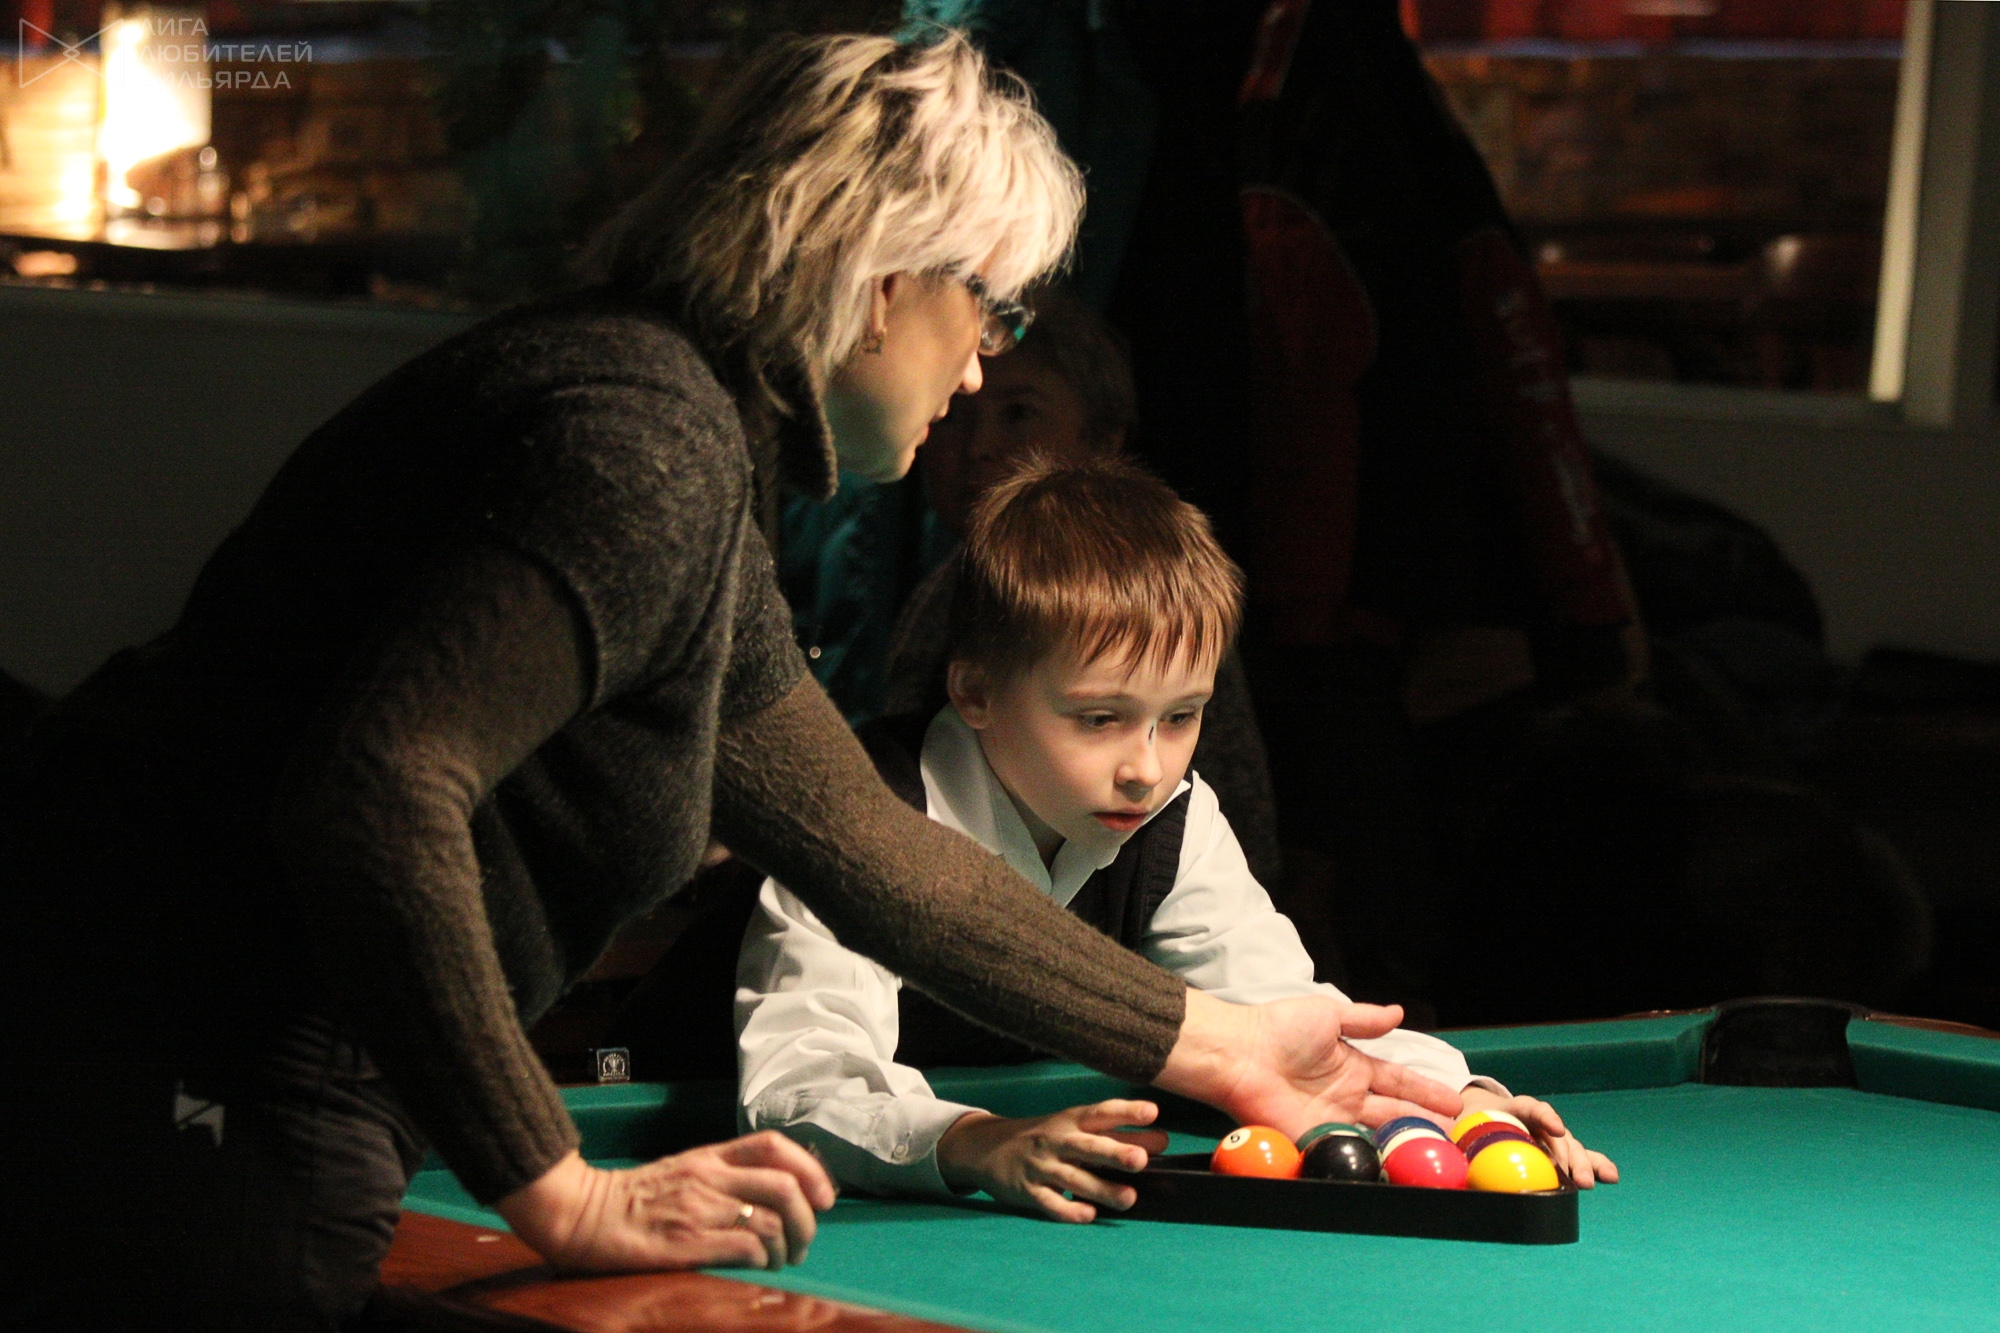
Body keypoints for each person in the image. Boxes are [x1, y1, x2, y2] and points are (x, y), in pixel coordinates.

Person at [1, 33, 1462, 1332]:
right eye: (989, 308)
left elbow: (872, 850)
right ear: (883, 281)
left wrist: (1224, 1041)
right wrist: (559, 1186)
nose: (979, 367)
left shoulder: (684, 439)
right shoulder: (640, 444)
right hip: (171, 1040)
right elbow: (376, 793)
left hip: (215, 1036)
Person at [737, 458, 1616, 1220]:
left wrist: (1467, 1106)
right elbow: (799, 1083)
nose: (1147, 768)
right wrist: (976, 1141)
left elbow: (1279, 1015)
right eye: (1100, 718)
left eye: (1182, 715)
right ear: (975, 692)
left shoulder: (1172, 819)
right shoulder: (855, 814)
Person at [884, 284, 1284, 889]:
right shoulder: (932, 604)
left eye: (1019, 414)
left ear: (1102, 441)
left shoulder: (1165, 606)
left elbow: (1240, 838)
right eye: (954, 415)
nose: (979, 448)